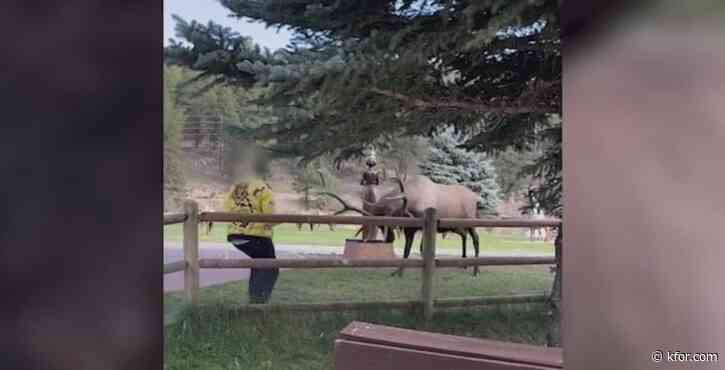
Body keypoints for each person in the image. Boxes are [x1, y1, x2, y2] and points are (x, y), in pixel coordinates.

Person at [223, 153, 279, 304]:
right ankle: (259, 304)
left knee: (258, 265)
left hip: (234, 236)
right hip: (257, 236)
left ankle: (254, 301)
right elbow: (269, 218)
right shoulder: (263, 188)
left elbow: (227, 209)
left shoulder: (235, 187)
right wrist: (283, 220)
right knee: (271, 269)